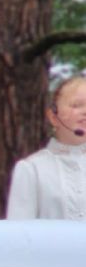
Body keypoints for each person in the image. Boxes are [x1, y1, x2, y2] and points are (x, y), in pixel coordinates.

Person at [5, 74, 86, 221]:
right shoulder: (32, 168)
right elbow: (20, 233)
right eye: (76, 105)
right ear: (53, 116)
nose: (84, 112)